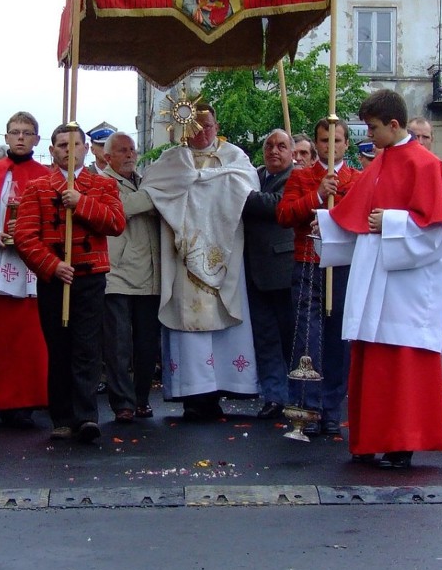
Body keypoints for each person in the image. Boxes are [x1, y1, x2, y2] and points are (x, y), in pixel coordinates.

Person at [317, 89, 442, 468]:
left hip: (407, 288)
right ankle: (369, 440)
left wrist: (393, 222)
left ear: (395, 124)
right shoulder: (380, 162)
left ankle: (403, 443)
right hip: (375, 280)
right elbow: (356, 218)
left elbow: (438, 232)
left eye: (373, 128)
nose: (369, 136)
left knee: (403, 364)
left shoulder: (428, 165)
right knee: (372, 361)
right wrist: (326, 224)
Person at [141, 101, 259, 421]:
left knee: (223, 317)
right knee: (189, 323)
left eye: (207, 126)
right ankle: (194, 393)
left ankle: (226, 384)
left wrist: (200, 183)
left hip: (223, 255)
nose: (201, 132)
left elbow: (247, 187)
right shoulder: (171, 161)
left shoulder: (234, 158)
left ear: (217, 127)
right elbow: (152, 189)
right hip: (185, 257)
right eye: (195, 127)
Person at [14, 123, 125, 442]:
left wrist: (81, 203)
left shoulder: (101, 185)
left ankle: (87, 415)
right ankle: (62, 417)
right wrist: (52, 265)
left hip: (90, 276)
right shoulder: (36, 187)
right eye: (62, 145)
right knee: (59, 346)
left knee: (87, 347)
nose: (69, 150)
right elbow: (24, 236)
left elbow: (116, 223)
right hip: (54, 279)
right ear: (51, 151)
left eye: (76, 144)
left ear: (86, 149)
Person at [276, 117, 360, 434]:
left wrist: (332, 217)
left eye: (336, 140)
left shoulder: (356, 178)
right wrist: (316, 197)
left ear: (346, 144)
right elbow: (284, 215)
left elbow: (362, 216)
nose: (330, 146)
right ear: (316, 144)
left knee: (339, 337)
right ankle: (307, 409)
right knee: (307, 338)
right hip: (308, 262)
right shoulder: (301, 177)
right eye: (324, 140)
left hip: (342, 265)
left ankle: (331, 408)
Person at [0, 112, 48, 429]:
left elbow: (53, 220)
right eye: (14, 132)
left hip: (31, 265)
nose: (20, 137)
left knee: (30, 338)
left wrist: (26, 238)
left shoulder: (47, 176)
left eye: (27, 133)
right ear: (5, 137)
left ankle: (27, 402)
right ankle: (0, 399)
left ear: (36, 140)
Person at [102, 132, 161, 421]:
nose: (129, 155)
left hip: (151, 276)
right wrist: (154, 195)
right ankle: (123, 403)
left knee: (147, 344)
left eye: (132, 149)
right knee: (119, 345)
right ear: (107, 156)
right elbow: (122, 209)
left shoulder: (144, 181)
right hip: (119, 274)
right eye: (122, 150)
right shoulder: (103, 182)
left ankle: (141, 398)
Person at [242, 129, 295, 418]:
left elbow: (278, 206)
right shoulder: (255, 174)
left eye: (281, 146)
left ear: (290, 152)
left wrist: (242, 197)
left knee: (289, 336)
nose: (274, 151)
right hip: (253, 269)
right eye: (269, 146)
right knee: (264, 337)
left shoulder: (295, 177)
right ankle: (273, 396)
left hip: (283, 270)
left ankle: (295, 394)